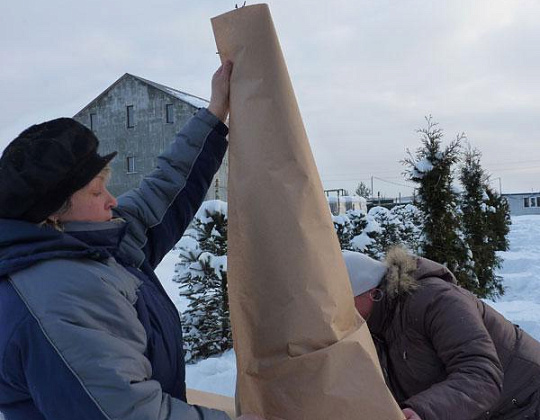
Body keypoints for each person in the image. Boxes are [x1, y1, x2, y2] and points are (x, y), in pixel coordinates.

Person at [0, 61, 262, 420]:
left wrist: (214, 114)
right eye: (96, 192)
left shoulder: (95, 243)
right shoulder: (57, 300)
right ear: (53, 214)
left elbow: (165, 188)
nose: (112, 200)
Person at [343, 247, 540, 420]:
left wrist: (423, 411)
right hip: (483, 410)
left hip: (526, 401)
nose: (338, 314)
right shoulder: (374, 326)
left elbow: (481, 374)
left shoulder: (435, 300)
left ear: (369, 292)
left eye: (344, 303)